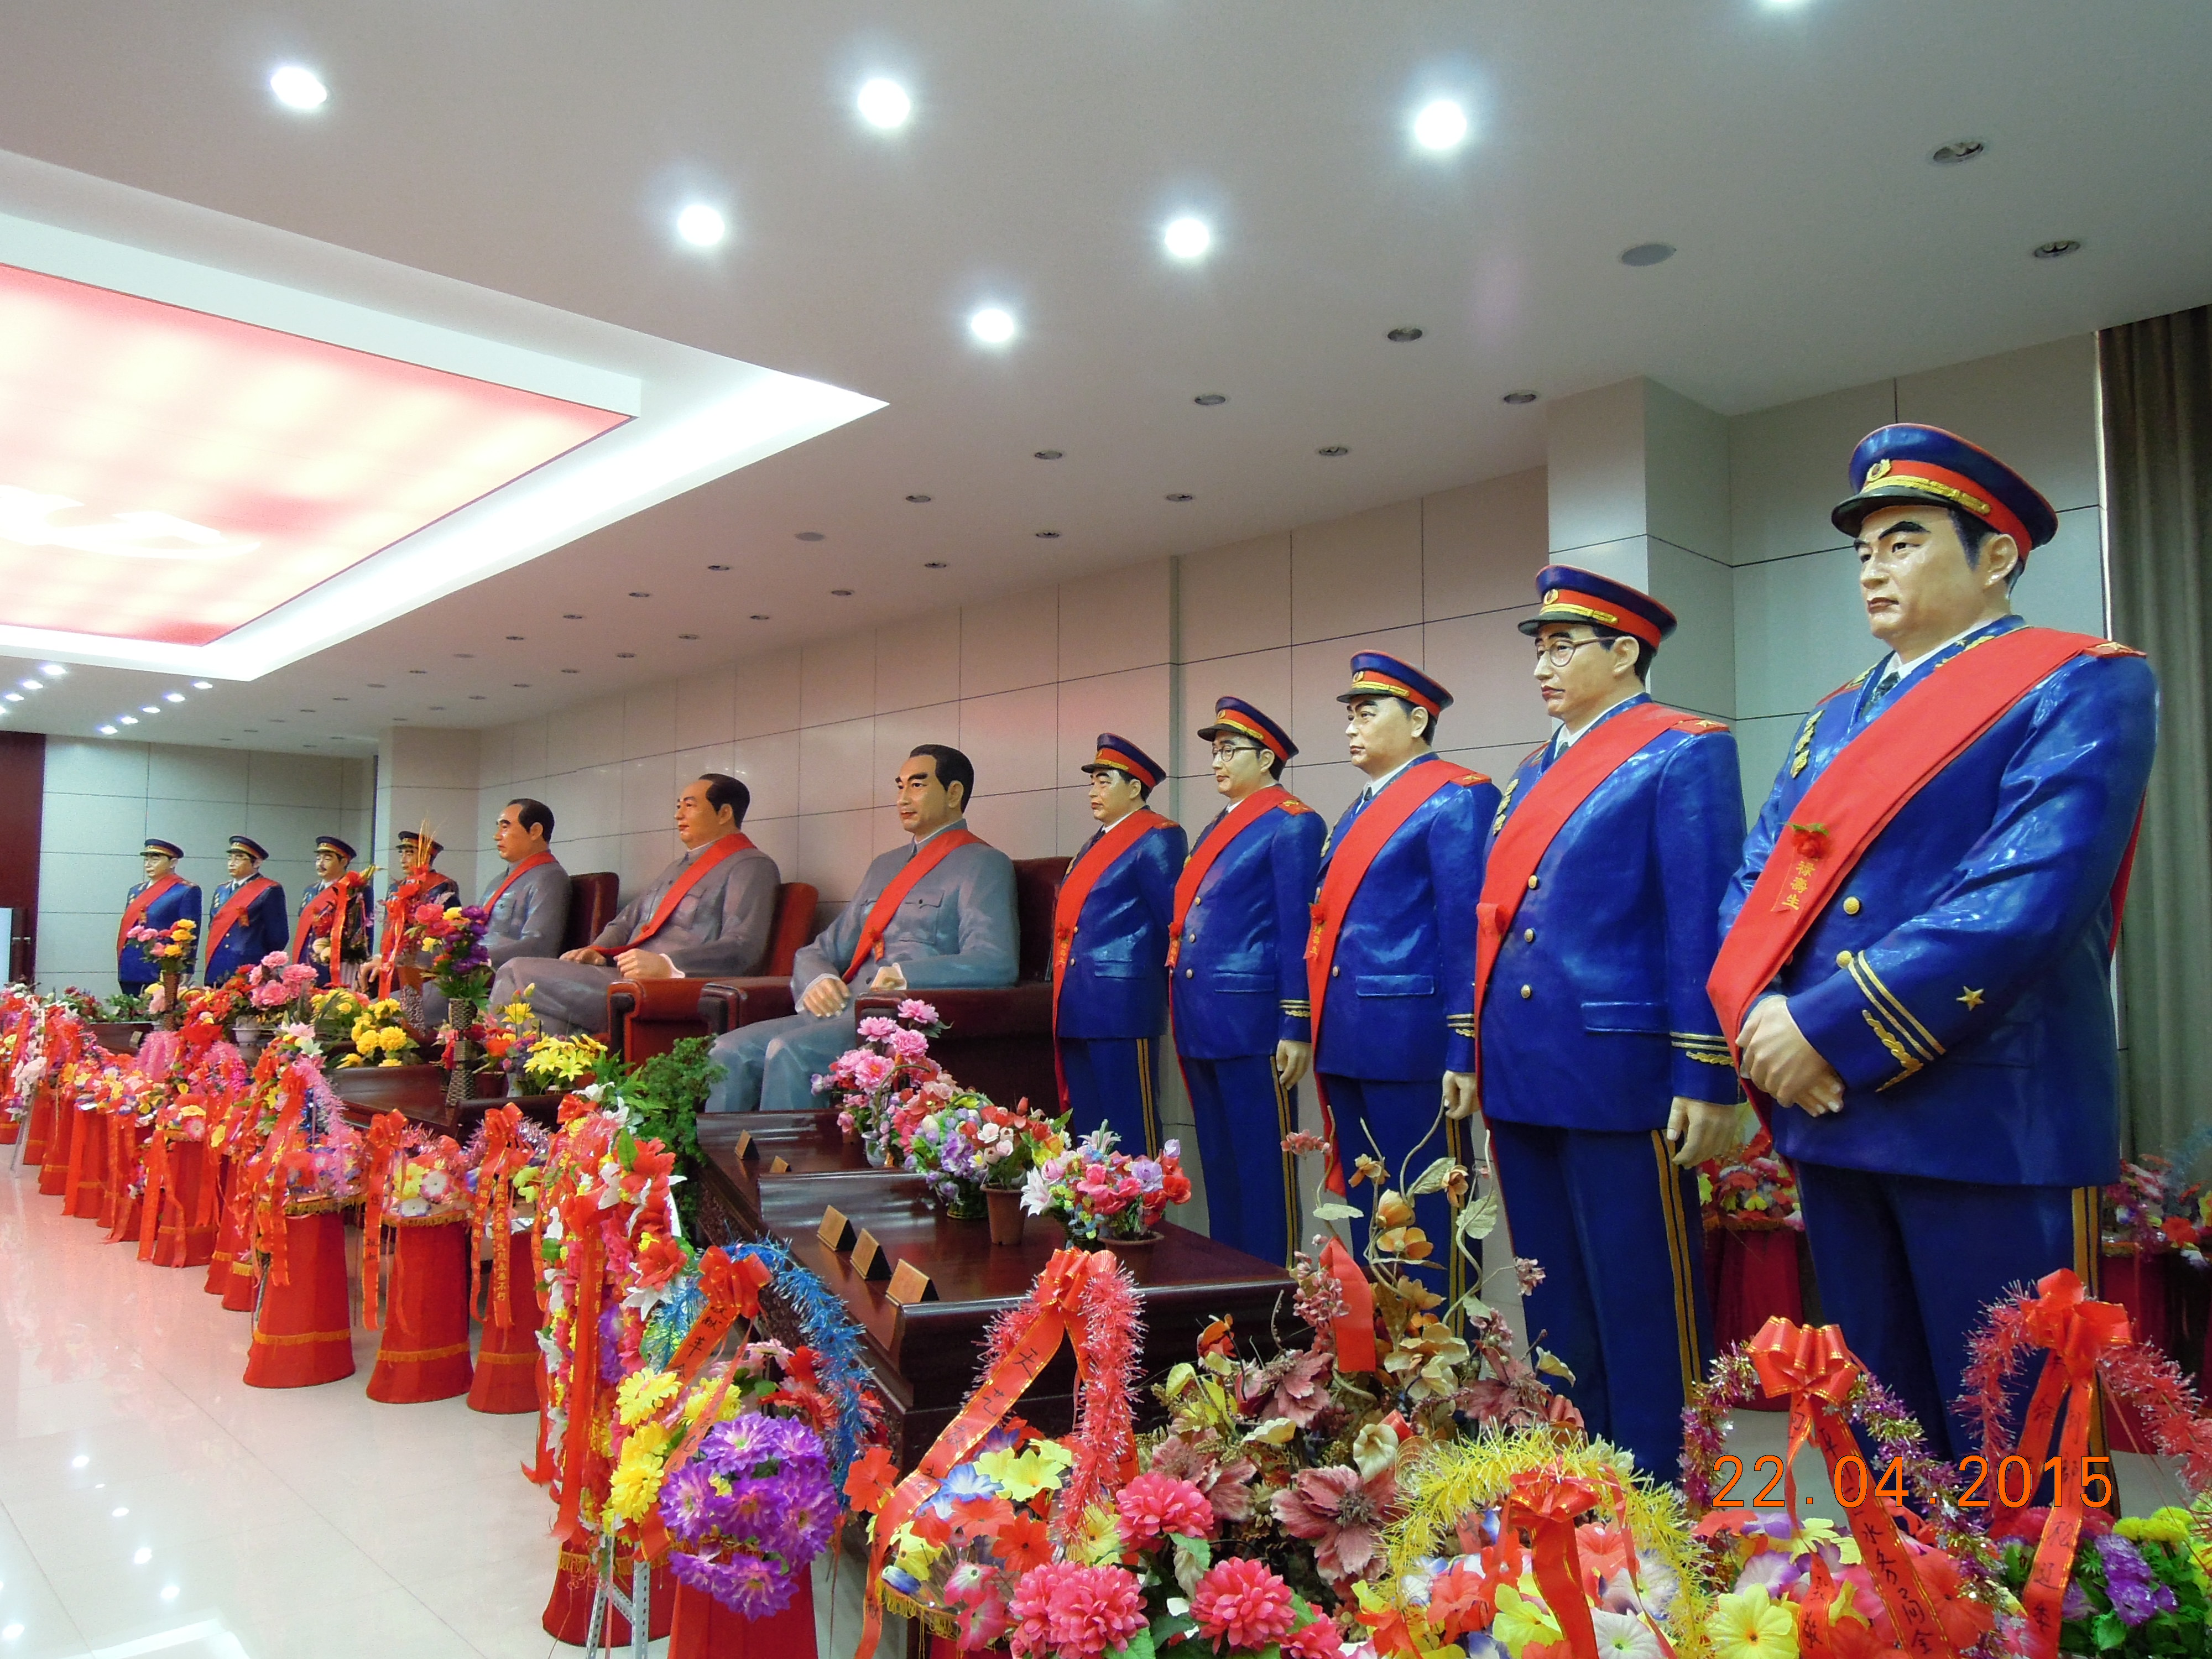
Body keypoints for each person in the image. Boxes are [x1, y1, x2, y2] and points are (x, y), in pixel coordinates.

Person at [1714, 424, 2158, 1460]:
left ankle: (2013, 1628)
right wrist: (1762, 1016)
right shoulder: (1832, 716)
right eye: (1864, 548)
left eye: (1905, 539)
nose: (1873, 566)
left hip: (1983, 1108)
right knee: (1880, 1427)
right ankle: (1896, 1614)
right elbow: (1758, 878)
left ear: (1996, 554)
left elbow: (2027, 894)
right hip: (1838, 1106)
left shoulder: (2080, 683)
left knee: (2011, 1428)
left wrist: (1821, 1027)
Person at [1471, 566, 1744, 1476]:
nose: (1544, 666)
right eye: (1538, 649)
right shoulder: (1529, 772)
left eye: (1563, 646)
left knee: (1645, 1305)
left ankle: (1670, 1499)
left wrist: (1706, 1071)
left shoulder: (1682, 750)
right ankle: (1580, 1494)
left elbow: (1701, 918)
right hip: (1526, 1067)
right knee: (1554, 1301)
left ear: (1626, 651)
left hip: (1620, 1071)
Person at [1307, 653, 1495, 1296]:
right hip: (1351, 1036)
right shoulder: (1358, 807)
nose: (1352, 728)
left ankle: (1443, 1380)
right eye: (1350, 715)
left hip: (1413, 1041)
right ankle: (1382, 1370)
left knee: (1424, 1214)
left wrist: (1464, 1045)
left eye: (1368, 712)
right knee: (1369, 1212)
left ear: (1418, 719)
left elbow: (1465, 932)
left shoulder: (1456, 799)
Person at [703, 745, 1017, 1114]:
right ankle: (719, 1170)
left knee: (789, 1052)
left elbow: (995, 961)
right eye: (900, 786)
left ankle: (785, 1170)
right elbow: (820, 949)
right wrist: (817, 980)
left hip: (899, 1017)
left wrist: (905, 976)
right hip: (844, 1008)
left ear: (953, 793)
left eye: (917, 785)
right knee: (727, 1051)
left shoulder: (983, 864)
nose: (903, 798)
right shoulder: (884, 867)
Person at [1168, 699, 1322, 1265]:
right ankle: (1228, 1288)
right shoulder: (1222, 825)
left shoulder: (1291, 823)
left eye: (1229, 750)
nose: (1217, 761)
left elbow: (1293, 930)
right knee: (1221, 1164)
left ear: (1266, 757)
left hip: (1253, 1019)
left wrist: (1296, 1019)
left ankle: (1269, 1296)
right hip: (1202, 1014)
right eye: (1213, 750)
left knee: (1263, 1168)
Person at [491, 775, 778, 1036]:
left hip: (666, 988)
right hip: (622, 975)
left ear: (725, 813)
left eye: (689, 806)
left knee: (517, 972)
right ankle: (537, 1090)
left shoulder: (751, 866)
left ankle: (499, 1083)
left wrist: (667, 965)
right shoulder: (677, 867)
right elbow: (626, 921)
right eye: (679, 806)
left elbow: (744, 947)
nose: (678, 815)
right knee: (543, 1018)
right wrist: (597, 951)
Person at [1052, 735, 1186, 1153]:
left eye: (1104, 780)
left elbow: (1173, 922)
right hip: (1078, 1002)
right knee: (1089, 1134)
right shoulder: (1096, 841)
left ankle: (1141, 1219)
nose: (1094, 790)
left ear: (1134, 788)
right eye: (1092, 781)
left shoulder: (1156, 836)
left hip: (1123, 1004)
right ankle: (1096, 1217)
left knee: (1132, 1130)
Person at [422, 802, 570, 1028]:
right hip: (469, 971)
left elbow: (539, 945)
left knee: (398, 1011)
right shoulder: (498, 881)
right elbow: (471, 933)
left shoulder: (550, 878)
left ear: (535, 832)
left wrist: (473, 958)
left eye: (505, 827)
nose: (496, 836)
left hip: (491, 980)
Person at [373, 831, 461, 1001]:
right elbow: (388, 927)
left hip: (425, 960)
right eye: (401, 853)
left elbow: (450, 928)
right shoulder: (395, 888)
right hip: (396, 959)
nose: (403, 859)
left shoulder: (442, 885)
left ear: (426, 856)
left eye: (410, 853)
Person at [116, 838, 200, 996]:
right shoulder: (136, 891)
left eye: (155, 859)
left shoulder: (185, 891)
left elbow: (189, 933)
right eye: (147, 859)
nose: (148, 864)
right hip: (130, 964)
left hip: (161, 966)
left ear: (173, 863)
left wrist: (185, 967)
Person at [203, 836, 288, 987]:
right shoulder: (222, 890)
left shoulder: (269, 890)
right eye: (230, 858)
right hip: (218, 960)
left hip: (247, 961)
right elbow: (213, 925)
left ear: (257, 862)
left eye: (239, 858)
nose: (232, 863)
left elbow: (278, 936)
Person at [290, 836, 373, 989]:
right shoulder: (310, 890)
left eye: (327, 859)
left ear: (343, 862)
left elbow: (361, 930)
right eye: (318, 859)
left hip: (335, 964)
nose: (320, 864)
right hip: (306, 960)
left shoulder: (355, 889)